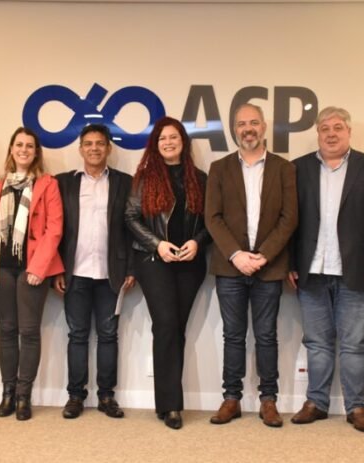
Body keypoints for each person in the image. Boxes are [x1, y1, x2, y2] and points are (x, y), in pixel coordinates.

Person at [288, 107, 364, 433]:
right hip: (311, 271)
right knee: (316, 342)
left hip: (356, 271)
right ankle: (316, 403)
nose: (331, 134)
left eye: (337, 128)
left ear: (348, 132)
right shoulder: (299, 168)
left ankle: (357, 407)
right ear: (318, 133)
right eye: (325, 128)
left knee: (354, 343)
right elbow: (290, 221)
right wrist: (290, 263)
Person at [205, 103, 297, 427]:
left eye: (254, 122)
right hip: (230, 267)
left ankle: (268, 400)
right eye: (242, 124)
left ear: (264, 127)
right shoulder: (219, 168)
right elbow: (212, 217)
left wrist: (264, 255)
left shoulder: (284, 168)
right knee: (233, 335)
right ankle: (231, 398)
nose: (248, 129)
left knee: (266, 336)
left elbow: (289, 218)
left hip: (268, 267)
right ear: (235, 129)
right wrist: (236, 254)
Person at [125, 116, 210, 430]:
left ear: (183, 142)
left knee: (177, 329)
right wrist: (157, 244)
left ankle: (168, 402)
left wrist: (197, 242)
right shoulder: (144, 179)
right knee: (166, 326)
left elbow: (211, 221)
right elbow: (130, 217)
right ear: (155, 145)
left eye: (174, 137)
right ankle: (171, 405)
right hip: (154, 261)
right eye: (162, 138)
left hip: (190, 263)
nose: (168, 142)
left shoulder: (200, 179)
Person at [0, 127, 64, 421]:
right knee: (7, 331)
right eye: (19, 145)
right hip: (0, 267)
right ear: (11, 149)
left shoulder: (47, 184)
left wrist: (39, 268)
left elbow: (54, 229)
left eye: (29, 146)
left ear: (36, 152)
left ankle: (24, 396)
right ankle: (8, 393)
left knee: (29, 332)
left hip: (32, 269)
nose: (24, 150)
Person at [54, 124, 135, 420]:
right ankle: (75, 396)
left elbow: (132, 227)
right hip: (74, 272)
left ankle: (106, 396)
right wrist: (55, 268)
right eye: (88, 144)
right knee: (77, 335)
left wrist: (131, 268)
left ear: (108, 148)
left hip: (111, 273)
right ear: (80, 149)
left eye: (100, 143)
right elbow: (55, 229)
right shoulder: (64, 182)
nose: (94, 148)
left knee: (108, 335)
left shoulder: (125, 182)